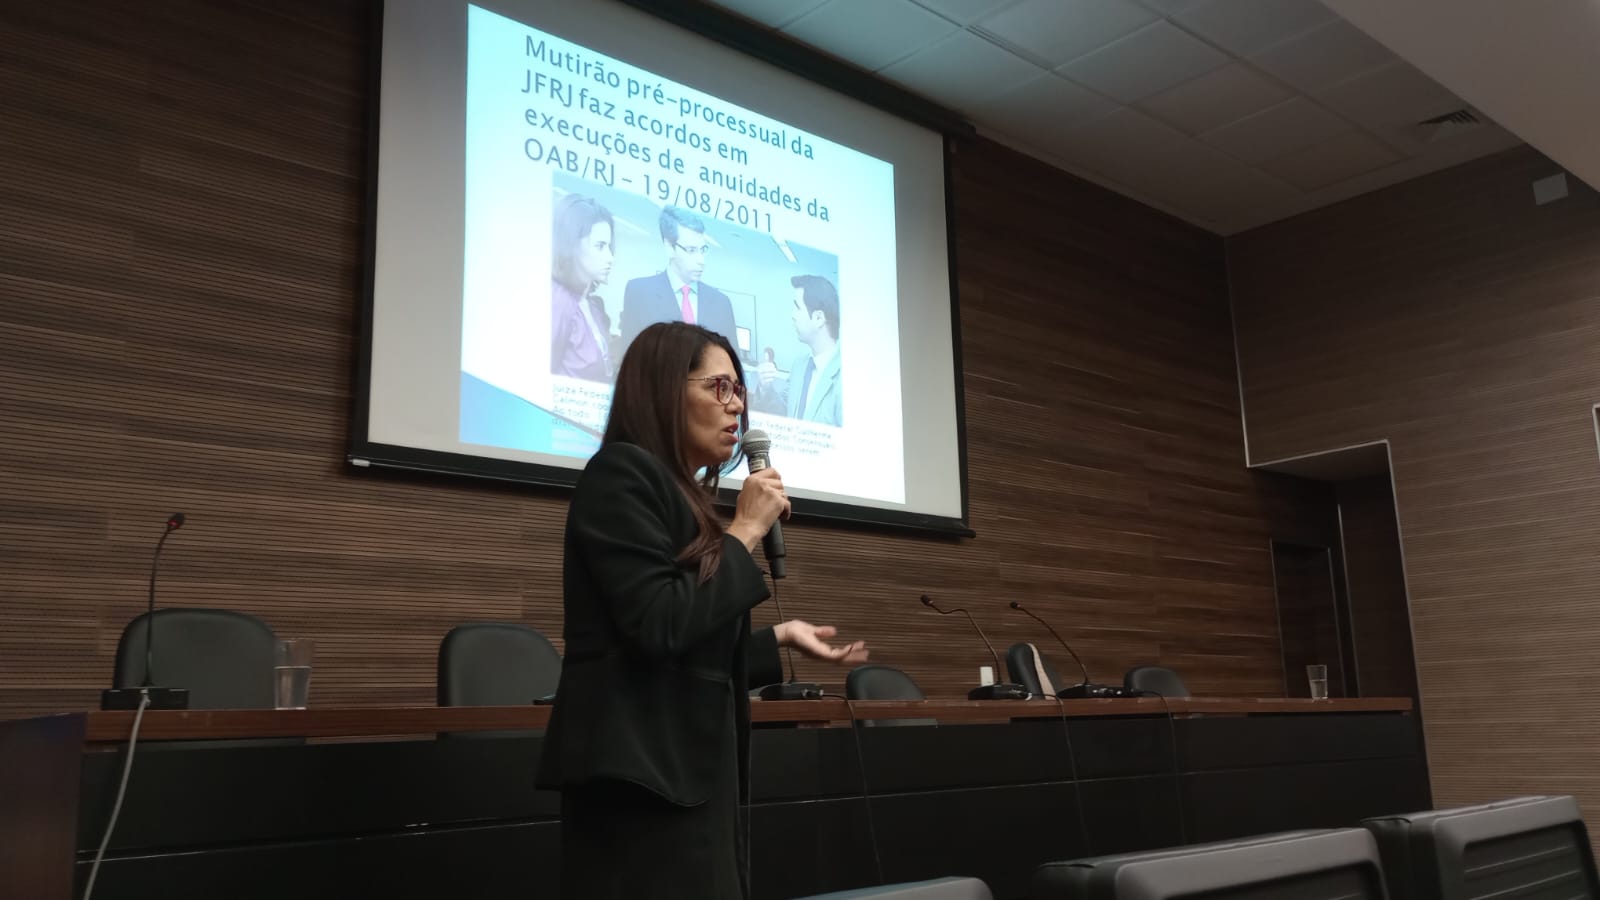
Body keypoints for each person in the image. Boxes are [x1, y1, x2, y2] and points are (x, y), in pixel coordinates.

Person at [536, 321, 869, 899]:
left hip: (685, 779)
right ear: (664, 390)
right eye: (720, 387)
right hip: (639, 790)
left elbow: (687, 647)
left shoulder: (681, 495)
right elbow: (658, 625)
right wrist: (745, 530)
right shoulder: (620, 475)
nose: (737, 405)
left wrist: (777, 639)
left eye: (740, 390)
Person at [619, 206, 739, 353]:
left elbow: (733, 361)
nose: (701, 260)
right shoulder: (639, 292)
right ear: (670, 248)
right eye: (691, 250)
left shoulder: (721, 303)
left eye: (703, 250)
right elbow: (628, 356)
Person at [756, 275, 842, 426]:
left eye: (797, 307)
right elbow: (784, 412)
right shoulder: (799, 365)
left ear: (818, 319)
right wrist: (765, 388)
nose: (793, 315)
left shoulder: (846, 376)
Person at [549, 195, 616, 382]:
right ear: (571, 246)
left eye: (609, 247)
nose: (610, 258)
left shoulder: (593, 307)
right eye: (600, 246)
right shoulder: (558, 301)